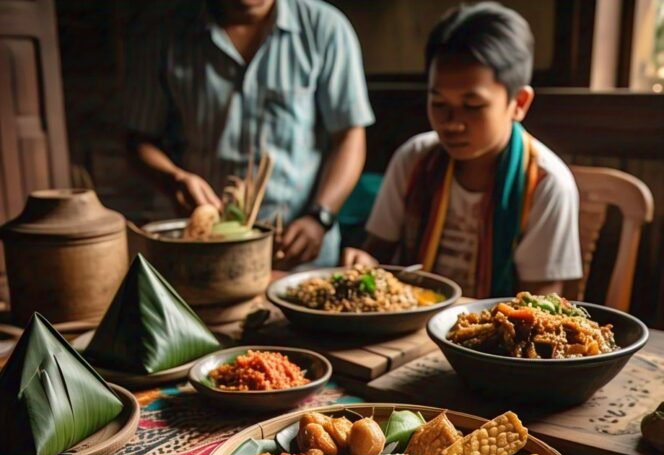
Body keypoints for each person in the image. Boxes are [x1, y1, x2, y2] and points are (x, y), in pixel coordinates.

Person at [343, 2, 582, 297]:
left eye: (472, 106)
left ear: (519, 103)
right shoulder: (414, 159)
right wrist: (364, 265)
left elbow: (539, 307)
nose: (451, 124)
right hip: (408, 325)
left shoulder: (546, 184)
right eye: (439, 103)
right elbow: (377, 253)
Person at [124, 0, 374, 268]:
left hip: (297, 250)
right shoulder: (165, 34)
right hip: (201, 250)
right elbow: (139, 139)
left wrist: (320, 216)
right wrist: (174, 180)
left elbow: (349, 137)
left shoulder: (324, 28)